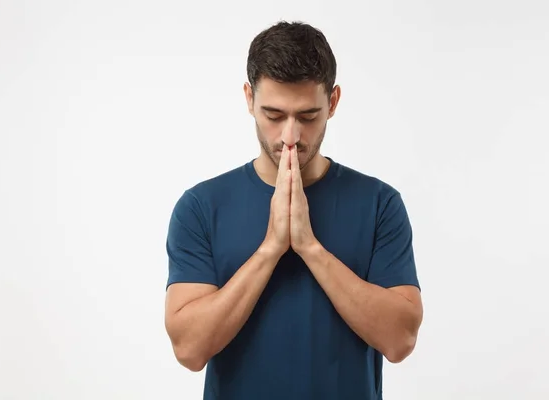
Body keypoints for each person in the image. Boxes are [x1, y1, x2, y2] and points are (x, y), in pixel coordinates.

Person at [164, 20, 423, 400]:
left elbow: (400, 341)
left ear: (332, 102)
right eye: (273, 115)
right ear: (249, 99)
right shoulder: (201, 207)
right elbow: (189, 349)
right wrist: (270, 248)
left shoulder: (379, 204)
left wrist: (309, 247)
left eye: (307, 116)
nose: (290, 136)